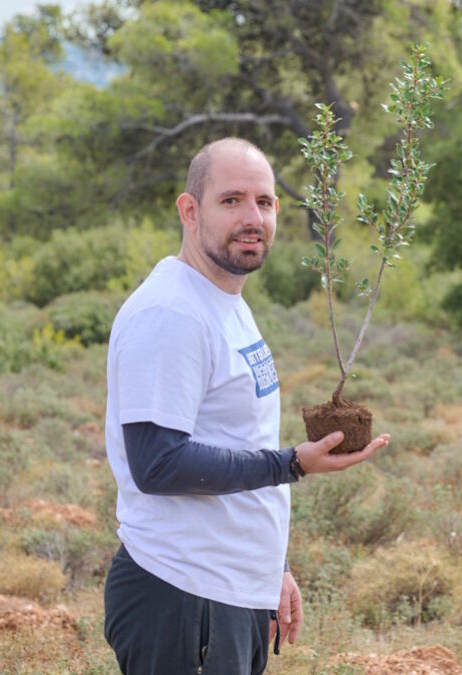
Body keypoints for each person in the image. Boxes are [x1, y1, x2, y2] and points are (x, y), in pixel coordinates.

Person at [102, 137, 389, 675]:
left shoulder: (225, 302)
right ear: (190, 211)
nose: (252, 216)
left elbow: (238, 440)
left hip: (228, 590)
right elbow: (157, 464)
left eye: (265, 201)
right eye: (231, 200)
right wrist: (293, 464)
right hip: (181, 594)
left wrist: (269, 566)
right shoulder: (171, 313)